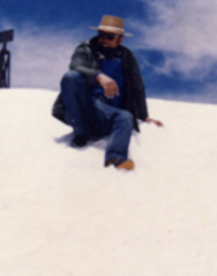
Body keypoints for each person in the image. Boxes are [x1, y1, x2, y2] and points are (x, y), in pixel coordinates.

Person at [52, 15, 162, 171]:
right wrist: (98, 76)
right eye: (101, 35)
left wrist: (144, 116)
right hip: (85, 109)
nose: (104, 39)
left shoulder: (127, 57)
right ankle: (81, 134)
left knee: (126, 117)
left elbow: (138, 87)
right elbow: (75, 66)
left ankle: (115, 158)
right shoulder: (86, 49)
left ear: (120, 39)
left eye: (110, 37)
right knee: (71, 77)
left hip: (108, 114)